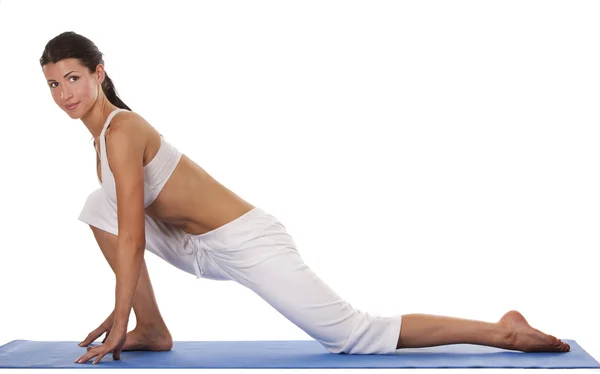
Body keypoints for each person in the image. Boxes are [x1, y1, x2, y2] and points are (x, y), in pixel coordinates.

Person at [39, 31, 570, 365]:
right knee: (96, 204)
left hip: (247, 242)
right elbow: (121, 223)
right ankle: (153, 330)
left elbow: (133, 236)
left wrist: (116, 312)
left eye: (73, 78)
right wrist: (129, 316)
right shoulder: (101, 142)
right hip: (199, 246)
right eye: (54, 85)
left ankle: (504, 332)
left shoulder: (122, 130)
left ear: (99, 72)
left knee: (355, 335)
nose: (65, 94)